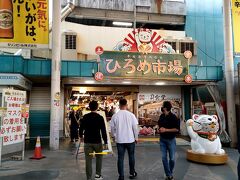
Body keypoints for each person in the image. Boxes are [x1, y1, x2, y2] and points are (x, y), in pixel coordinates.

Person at [110, 98, 139, 180]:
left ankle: (121, 176)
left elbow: (112, 128)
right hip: (130, 140)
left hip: (120, 140)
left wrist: (113, 136)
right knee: (131, 156)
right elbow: (135, 128)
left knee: (120, 158)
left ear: (119, 105)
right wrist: (136, 138)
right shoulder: (131, 115)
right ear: (126, 105)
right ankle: (132, 173)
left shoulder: (115, 116)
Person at [79, 100, 108, 180]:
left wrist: (81, 136)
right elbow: (103, 131)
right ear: (97, 107)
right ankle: (98, 175)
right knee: (99, 158)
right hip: (97, 142)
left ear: (89, 107)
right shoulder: (100, 118)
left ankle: (89, 177)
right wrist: (105, 142)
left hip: (87, 142)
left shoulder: (85, 117)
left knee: (88, 160)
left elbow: (81, 128)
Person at [158, 101, 180, 180]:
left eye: (163, 106)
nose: (162, 107)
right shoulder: (161, 116)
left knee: (172, 159)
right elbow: (159, 125)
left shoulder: (174, 117)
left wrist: (166, 130)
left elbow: (177, 129)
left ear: (165, 108)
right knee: (164, 158)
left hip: (171, 140)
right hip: (162, 140)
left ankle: (169, 173)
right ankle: (169, 175)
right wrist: (159, 129)